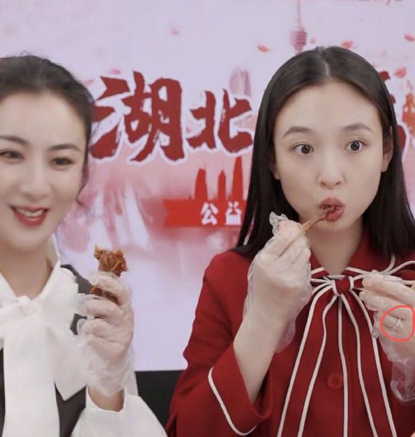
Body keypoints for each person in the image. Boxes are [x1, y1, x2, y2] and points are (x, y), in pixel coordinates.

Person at [166, 46, 415, 436]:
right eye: (303, 148)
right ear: (272, 161)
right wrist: (262, 322)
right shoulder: (230, 277)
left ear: (386, 151)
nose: (330, 174)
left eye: (355, 145)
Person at [0, 54, 166, 437]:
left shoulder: (94, 313)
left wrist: (109, 387)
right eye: (10, 154)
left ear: (82, 172)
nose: (36, 185)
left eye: (60, 160)